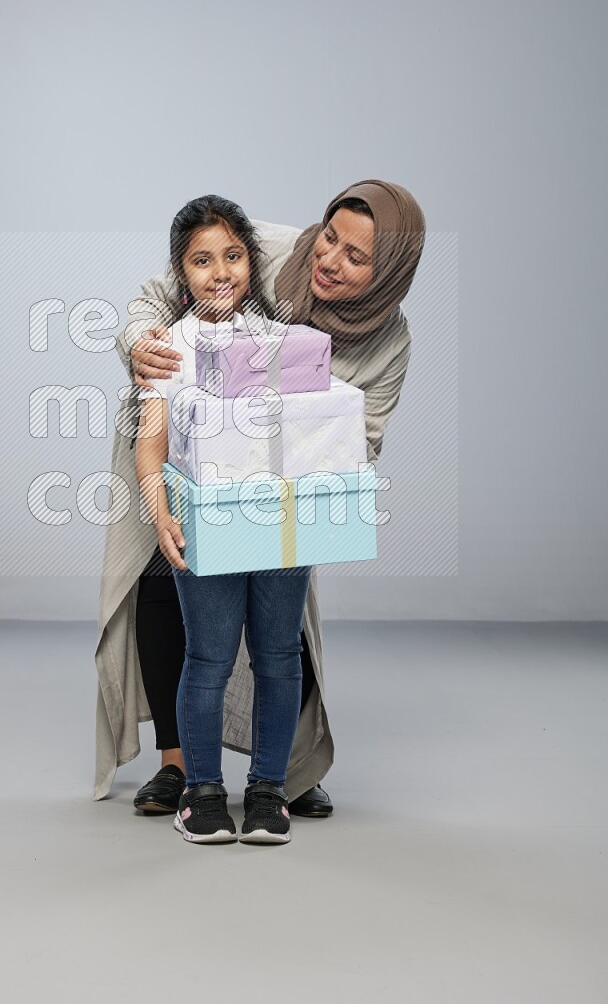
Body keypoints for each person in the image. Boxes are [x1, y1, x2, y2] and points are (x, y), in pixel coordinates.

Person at [94, 181, 426, 822]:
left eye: (357, 258)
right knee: (171, 594)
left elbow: (362, 438)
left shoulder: (378, 342)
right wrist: (144, 345)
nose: (329, 260)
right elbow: (157, 298)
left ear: (388, 275)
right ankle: (181, 767)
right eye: (330, 237)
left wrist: (301, 444)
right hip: (182, 468)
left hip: (283, 491)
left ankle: (285, 773)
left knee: (282, 635)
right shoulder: (264, 251)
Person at [133, 195, 313, 843]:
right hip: (204, 520)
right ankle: (203, 791)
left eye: (233, 256)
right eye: (202, 261)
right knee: (207, 657)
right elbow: (150, 440)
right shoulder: (169, 348)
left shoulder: (286, 342)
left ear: (251, 262)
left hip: (279, 520)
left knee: (278, 655)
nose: (221, 272)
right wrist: (160, 512)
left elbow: (311, 431)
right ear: (182, 274)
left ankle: (268, 790)